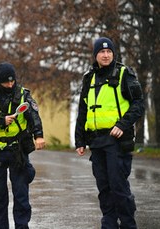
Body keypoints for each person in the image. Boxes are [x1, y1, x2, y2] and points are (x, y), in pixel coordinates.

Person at [75, 37, 145, 228]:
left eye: (109, 52)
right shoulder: (88, 78)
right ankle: (109, 224)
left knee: (119, 187)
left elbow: (138, 105)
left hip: (117, 141)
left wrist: (122, 125)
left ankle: (129, 224)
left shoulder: (124, 74)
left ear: (113, 54)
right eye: (101, 52)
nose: (106, 55)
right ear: (95, 55)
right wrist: (79, 140)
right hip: (96, 141)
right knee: (104, 189)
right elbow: (83, 111)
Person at [0, 62, 45, 229]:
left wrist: (39, 136)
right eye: (6, 82)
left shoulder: (23, 95)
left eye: (12, 81)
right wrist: (1, 120)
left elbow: (34, 116)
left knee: (21, 197)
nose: (10, 84)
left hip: (17, 150)